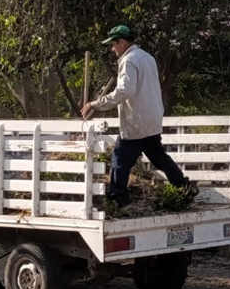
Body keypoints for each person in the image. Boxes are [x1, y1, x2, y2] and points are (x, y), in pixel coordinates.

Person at [81, 25, 193, 208]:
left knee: (120, 159)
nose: (112, 49)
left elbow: (124, 91)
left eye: (113, 45)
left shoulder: (129, 60)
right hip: (152, 117)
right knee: (158, 156)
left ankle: (118, 199)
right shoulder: (147, 57)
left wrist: (96, 104)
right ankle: (183, 186)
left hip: (136, 121)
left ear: (122, 42)